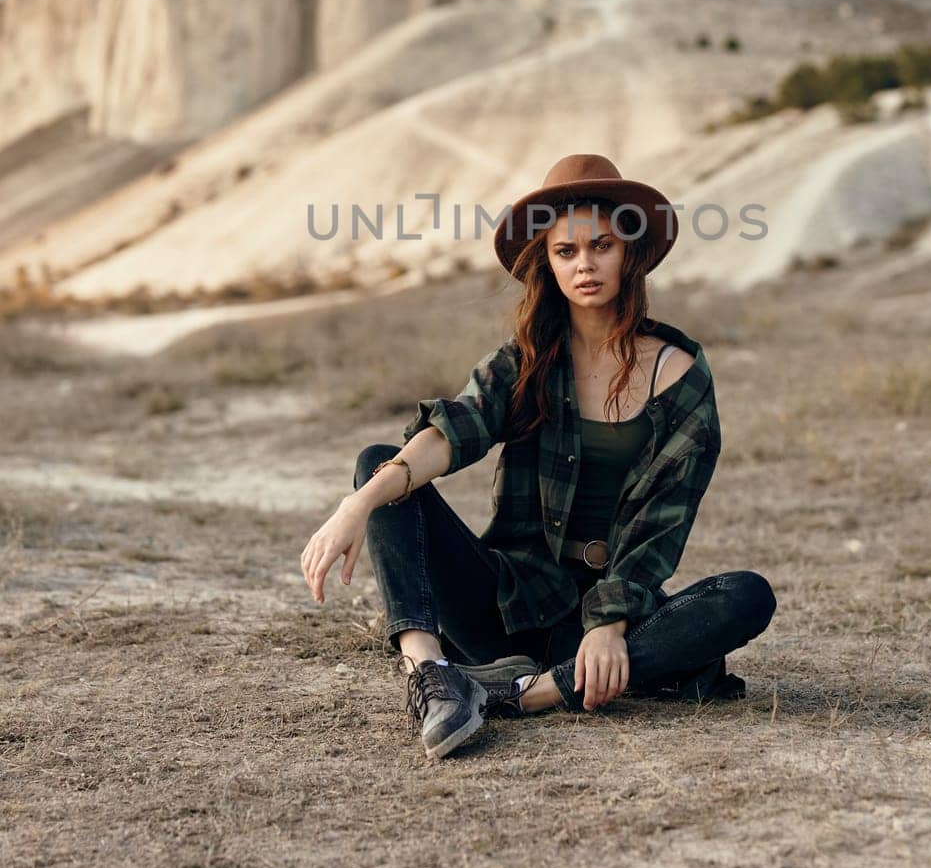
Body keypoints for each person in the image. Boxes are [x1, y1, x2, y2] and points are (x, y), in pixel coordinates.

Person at [299, 152, 777, 761]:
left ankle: (523, 695)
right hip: (504, 602)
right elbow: (456, 430)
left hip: (604, 618)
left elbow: (662, 523)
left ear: (629, 251)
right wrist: (359, 502)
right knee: (382, 463)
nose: (585, 265)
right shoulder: (527, 359)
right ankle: (433, 677)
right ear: (547, 265)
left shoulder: (678, 374)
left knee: (746, 594)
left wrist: (608, 622)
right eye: (566, 252)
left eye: (601, 246)